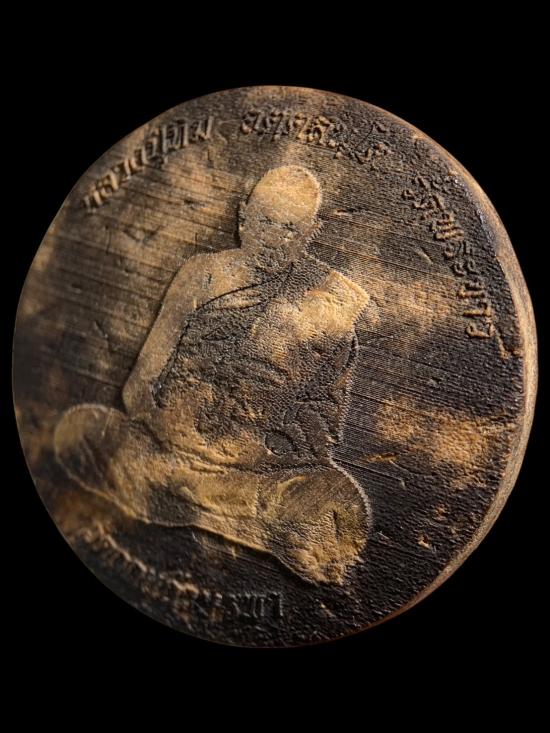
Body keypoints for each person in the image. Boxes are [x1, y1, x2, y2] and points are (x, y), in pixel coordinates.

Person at [55, 165, 372, 585]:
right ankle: (215, 508)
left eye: (290, 229)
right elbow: (140, 384)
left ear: (311, 233)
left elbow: (322, 424)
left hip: (254, 469)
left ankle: (177, 496)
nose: (274, 238)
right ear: (243, 216)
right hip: (171, 446)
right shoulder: (201, 275)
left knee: (333, 502)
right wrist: (167, 427)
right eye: (265, 221)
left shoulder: (333, 306)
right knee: (79, 429)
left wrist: (260, 447)